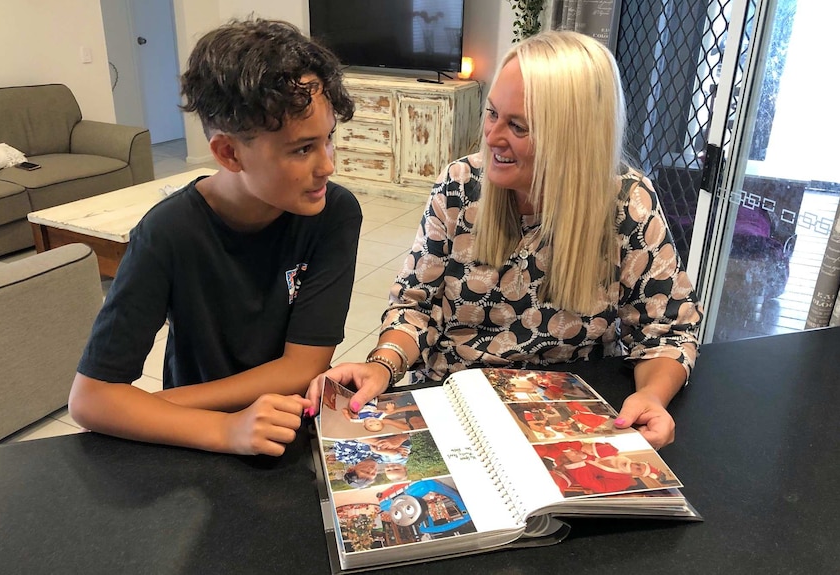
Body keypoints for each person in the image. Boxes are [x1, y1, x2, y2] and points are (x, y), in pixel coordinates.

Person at [308, 29, 703, 450]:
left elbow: (668, 331)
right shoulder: (459, 187)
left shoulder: (627, 204)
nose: (493, 137)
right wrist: (383, 365)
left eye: (518, 126)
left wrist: (651, 397)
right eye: (493, 113)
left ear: (574, 137)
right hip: (454, 408)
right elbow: (415, 306)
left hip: (562, 421)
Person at [68, 18, 361, 456]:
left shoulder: (333, 213)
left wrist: (155, 405)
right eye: (302, 149)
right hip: (193, 440)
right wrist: (226, 430)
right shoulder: (167, 233)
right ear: (228, 152)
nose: (327, 165)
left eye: (328, 140)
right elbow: (90, 399)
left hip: (289, 425)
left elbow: (304, 365)